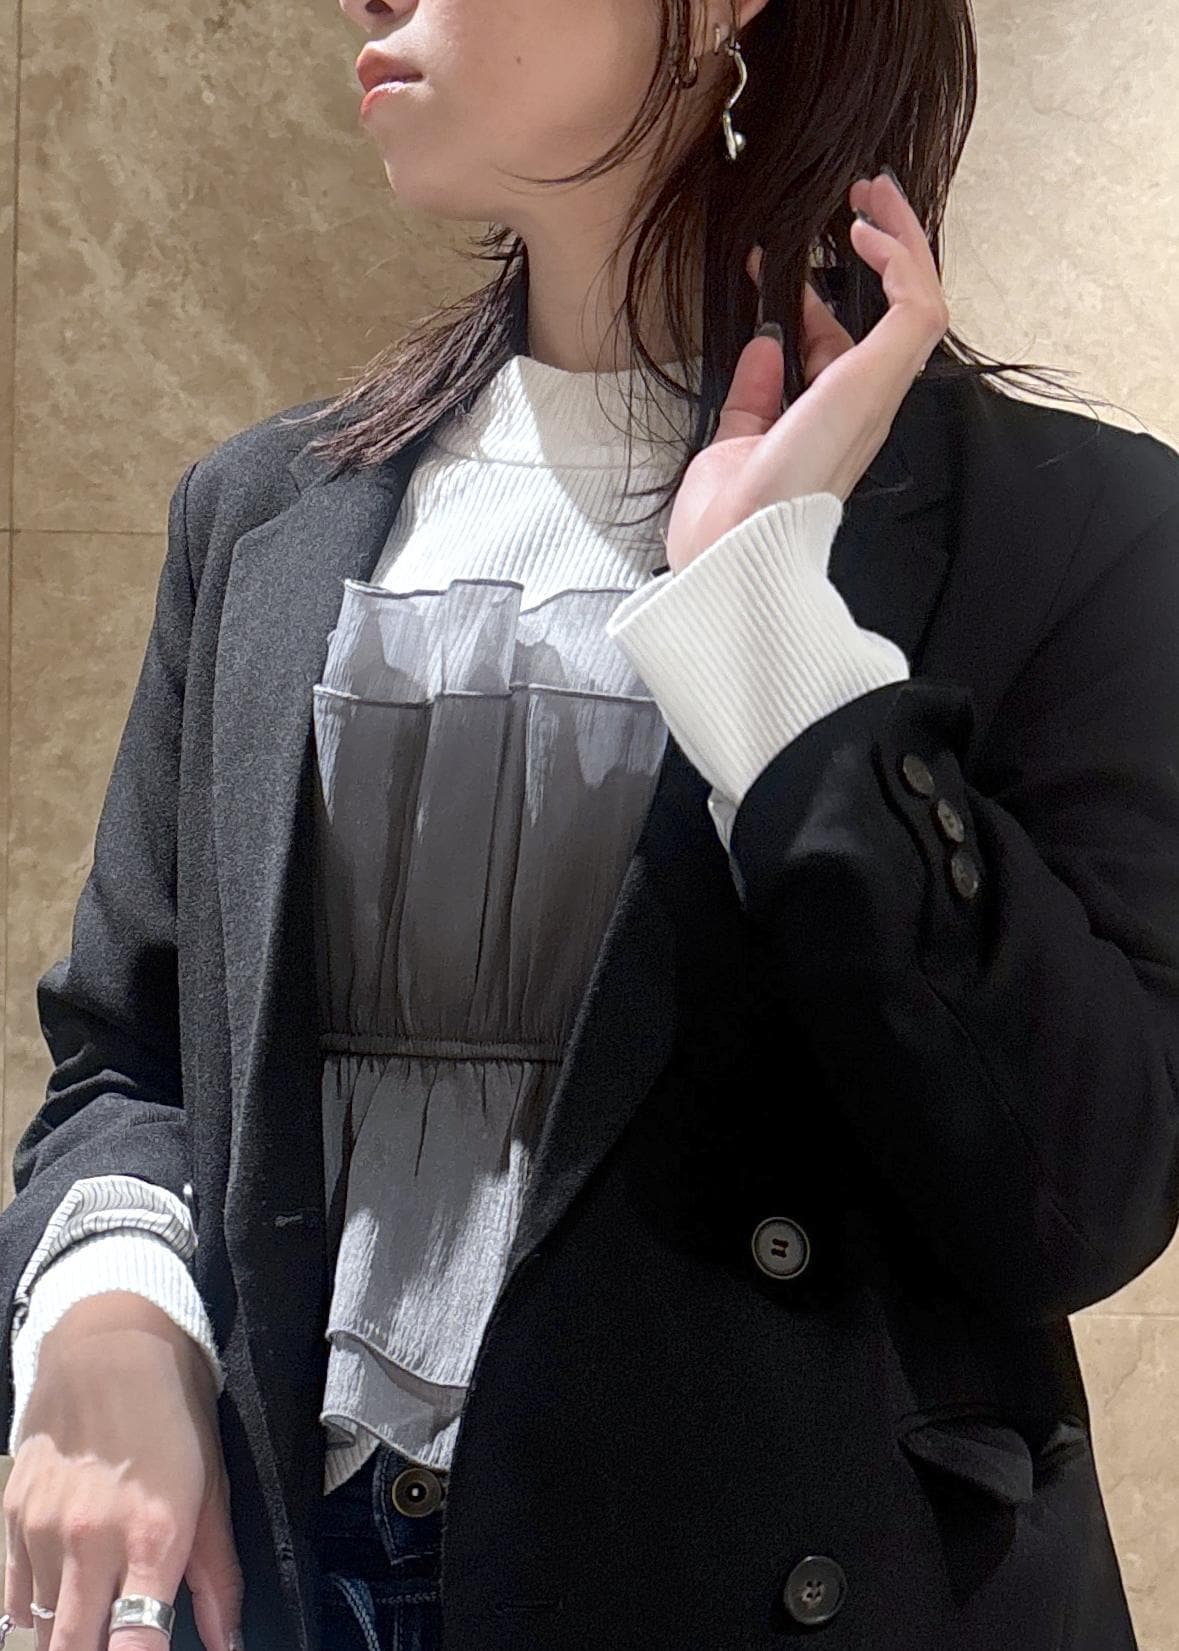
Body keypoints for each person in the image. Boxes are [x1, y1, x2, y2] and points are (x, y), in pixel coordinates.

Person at [3, 0, 1179, 1646]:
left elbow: (1080, 1188)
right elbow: (132, 1062)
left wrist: (771, 644)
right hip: (292, 1588)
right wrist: (112, 1317)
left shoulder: (1072, 526)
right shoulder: (260, 515)